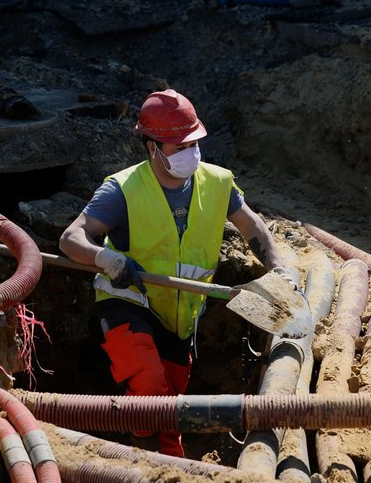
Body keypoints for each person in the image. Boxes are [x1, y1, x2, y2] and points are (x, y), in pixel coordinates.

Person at [59, 88, 288, 457]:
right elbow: (71, 239)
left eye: (193, 144)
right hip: (127, 301)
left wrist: (278, 268)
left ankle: (144, 448)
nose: (190, 154)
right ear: (152, 147)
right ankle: (163, 464)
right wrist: (107, 259)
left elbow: (253, 227)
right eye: (179, 147)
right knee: (150, 386)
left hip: (181, 316)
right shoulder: (122, 189)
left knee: (171, 399)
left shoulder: (217, 183)